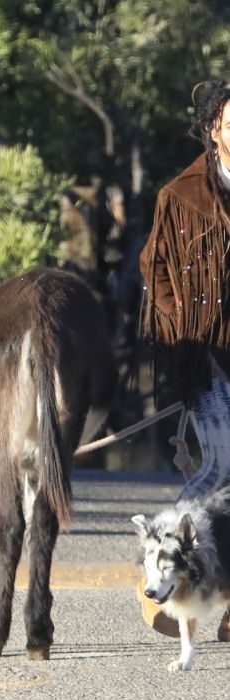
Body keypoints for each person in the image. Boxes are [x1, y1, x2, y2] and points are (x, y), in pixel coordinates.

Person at [139, 79, 230, 642]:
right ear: (214, 129)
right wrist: (185, 330)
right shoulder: (181, 196)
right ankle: (162, 573)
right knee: (220, 467)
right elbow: (156, 270)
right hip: (207, 358)